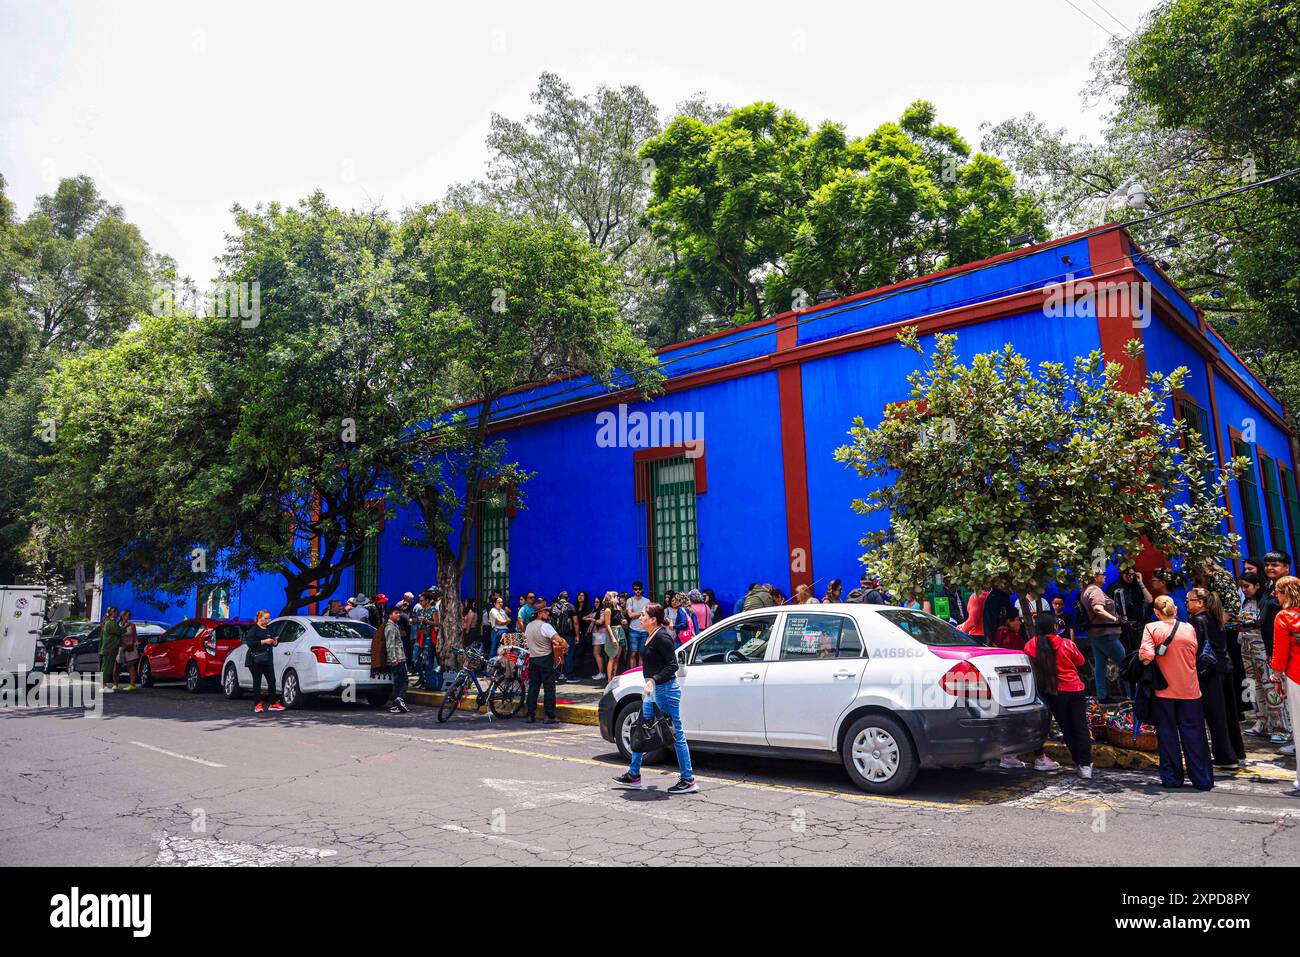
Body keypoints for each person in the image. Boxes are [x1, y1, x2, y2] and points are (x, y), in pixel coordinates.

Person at [612, 602, 698, 794]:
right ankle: (634, 774)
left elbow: (672, 666)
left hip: (666, 691)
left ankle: (688, 779)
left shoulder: (662, 637)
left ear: (653, 619)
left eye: (643, 615)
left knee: (676, 734)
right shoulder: (650, 635)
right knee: (640, 727)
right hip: (652, 692)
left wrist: (654, 681)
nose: (640, 617)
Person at [1141, 594, 1213, 790]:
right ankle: (1202, 779)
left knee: (1167, 735)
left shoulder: (1151, 628)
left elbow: (1146, 656)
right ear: (1176, 610)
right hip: (1190, 689)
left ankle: (1172, 778)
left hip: (1164, 692)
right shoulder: (1189, 627)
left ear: (1156, 613)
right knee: (1195, 735)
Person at [1026, 611, 1093, 779]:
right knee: (1080, 727)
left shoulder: (1031, 645)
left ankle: (1079, 761)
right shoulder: (1067, 644)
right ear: (1055, 626)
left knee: (1067, 729)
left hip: (1053, 692)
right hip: (1075, 689)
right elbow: (1081, 662)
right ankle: (1085, 765)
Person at [1187, 587, 1245, 768]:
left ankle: (1225, 757)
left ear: (1200, 603)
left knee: (1216, 715)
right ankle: (1237, 752)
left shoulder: (1197, 621)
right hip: (1225, 667)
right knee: (1229, 713)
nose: (1186, 604)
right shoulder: (1215, 617)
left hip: (1209, 671)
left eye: (1189, 600)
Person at [1237, 573, 1291, 740]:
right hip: (1246, 649)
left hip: (1262, 649)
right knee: (1252, 686)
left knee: (1270, 687)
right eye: (1242, 587)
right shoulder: (1245, 601)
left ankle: (1280, 728)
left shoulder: (1267, 601)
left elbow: (1267, 625)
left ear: (1257, 585)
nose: (1244, 590)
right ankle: (1262, 722)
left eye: (1247, 586)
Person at [1269, 575, 1300, 794]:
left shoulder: (1284, 617)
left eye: (1278, 592)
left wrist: (1276, 678)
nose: (1275, 596)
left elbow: (1280, 654)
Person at [1080, 571, 1129, 702]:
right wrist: (1115, 619)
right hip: (1107, 634)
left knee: (1100, 665)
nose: (1105, 576)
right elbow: (1097, 609)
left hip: (1096, 634)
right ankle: (1132, 695)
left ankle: (1102, 695)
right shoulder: (1095, 591)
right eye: (1102, 574)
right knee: (1126, 664)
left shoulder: (1086, 590)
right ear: (1094, 577)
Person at [523, 600, 561, 724]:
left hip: (533, 659)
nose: (548, 613)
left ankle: (530, 714)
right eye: (545, 611)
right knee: (549, 688)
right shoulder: (545, 626)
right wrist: (564, 644)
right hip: (545, 658)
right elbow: (557, 639)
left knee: (534, 687)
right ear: (539, 613)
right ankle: (549, 715)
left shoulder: (528, 626)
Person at [243, 610, 284, 713]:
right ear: (259, 618)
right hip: (255, 659)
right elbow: (250, 643)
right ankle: (257, 704)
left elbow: (275, 641)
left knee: (272, 680)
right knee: (257, 682)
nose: (267, 620)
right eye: (265, 618)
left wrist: (275, 641)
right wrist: (264, 641)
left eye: (268, 618)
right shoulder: (254, 629)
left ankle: (273, 703)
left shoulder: (269, 628)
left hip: (267, 659)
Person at [383, 609, 408, 714]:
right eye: (396, 613)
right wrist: (393, 659)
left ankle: (395, 705)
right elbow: (390, 644)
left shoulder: (394, 626)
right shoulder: (390, 627)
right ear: (390, 615)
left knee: (398, 683)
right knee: (404, 681)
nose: (398, 615)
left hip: (399, 657)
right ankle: (399, 699)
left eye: (399, 613)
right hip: (397, 658)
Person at [548, 592, 577, 681]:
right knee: (568, 655)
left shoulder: (552, 607)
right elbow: (575, 622)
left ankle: (557, 676)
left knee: (557, 655)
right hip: (568, 635)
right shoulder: (571, 607)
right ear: (568, 598)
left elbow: (549, 620)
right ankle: (569, 677)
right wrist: (577, 635)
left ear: (558, 598)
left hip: (555, 635)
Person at [601, 590, 626, 681]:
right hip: (613, 632)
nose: (618, 598)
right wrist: (613, 638)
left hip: (620, 632)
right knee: (612, 656)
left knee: (617, 657)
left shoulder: (619, 608)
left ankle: (613, 677)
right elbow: (607, 625)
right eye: (616, 596)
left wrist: (624, 621)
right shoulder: (608, 610)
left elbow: (621, 619)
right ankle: (609, 680)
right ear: (611, 598)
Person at [625, 581, 650, 669]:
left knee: (641, 654)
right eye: (636, 589)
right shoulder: (630, 600)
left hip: (644, 629)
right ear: (633, 590)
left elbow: (648, 615)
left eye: (639, 589)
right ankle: (632, 673)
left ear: (642, 589)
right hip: (633, 630)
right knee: (633, 653)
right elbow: (630, 615)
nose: (638, 591)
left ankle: (640, 673)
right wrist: (642, 613)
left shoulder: (647, 601)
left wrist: (636, 614)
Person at [99, 606, 121, 692]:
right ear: (112, 612)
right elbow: (119, 631)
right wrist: (125, 626)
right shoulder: (111, 623)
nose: (117, 613)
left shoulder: (107, 622)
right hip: (110, 648)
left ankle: (103, 685)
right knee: (107, 668)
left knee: (105, 667)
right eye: (116, 612)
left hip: (107, 648)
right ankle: (103, 686)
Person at [116, 610, 140, 691]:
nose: (129, 617)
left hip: (130, 646)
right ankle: (115, 684)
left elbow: (135, 635)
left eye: (130, 615)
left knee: (130, 665)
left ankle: (132, 684)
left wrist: (136, 642)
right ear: (123, 616)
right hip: (120, 646)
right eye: (128, 615)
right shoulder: (117, 624)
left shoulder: (132, 625)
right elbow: (117, 634)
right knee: (117, 665)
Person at [486, 596, 511, 660]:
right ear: (494, 604)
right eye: (499, 602)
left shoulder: (502, 610)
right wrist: (505, 621)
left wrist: (504, 621)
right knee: (493, 649)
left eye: (502, 602)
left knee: (504, 649)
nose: (501, 604)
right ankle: (490, 665)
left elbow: (509, 620)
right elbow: (500, 622)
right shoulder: (493, 610)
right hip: (497, 631)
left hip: (504, 631)